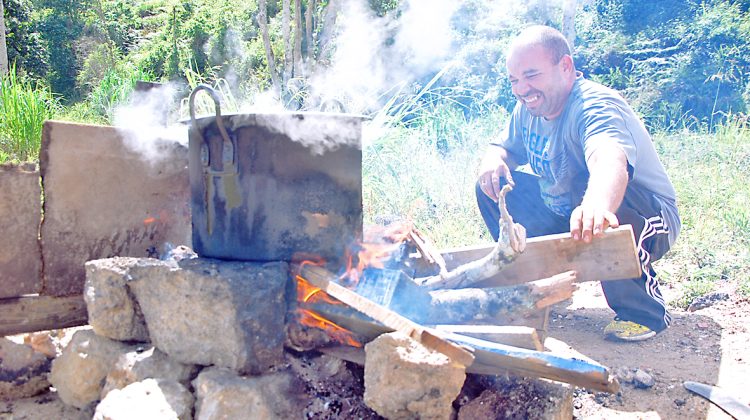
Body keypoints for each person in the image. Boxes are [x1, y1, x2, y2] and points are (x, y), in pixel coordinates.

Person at [476, 25, 680, 342]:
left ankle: (643, 312)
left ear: (566, 67)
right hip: (569, 210)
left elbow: (609, 160)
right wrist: (494, 159)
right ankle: (545, 288)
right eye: (514, 80)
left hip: (646, 216)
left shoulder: (594, 105)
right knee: (492, 185)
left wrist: (597, 205)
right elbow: (503, 148)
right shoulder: (528, 108)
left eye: (531, 75)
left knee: (595, 191)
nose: (521, 88)